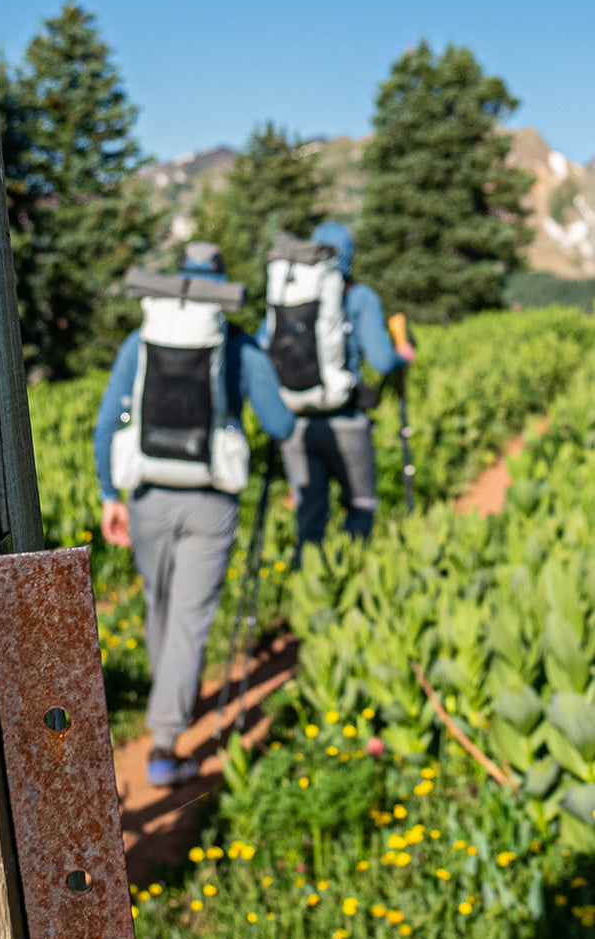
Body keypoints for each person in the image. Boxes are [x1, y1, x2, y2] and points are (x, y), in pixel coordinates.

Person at [94, 244, 295, 788]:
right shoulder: (238, 346)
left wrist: (110, 494)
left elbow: (107, 422)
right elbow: (278, 424)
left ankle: (168, 702)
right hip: (211, 502)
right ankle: (164, 745)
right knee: (189, 616)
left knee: (161, 605)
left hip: (149, 496)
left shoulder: (142, 342)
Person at [258, 221, 415, 558]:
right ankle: (350, 582)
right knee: (360, 506)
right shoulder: (359, 297)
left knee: (310, 516)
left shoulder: (290, 294)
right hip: (345, 420)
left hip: (296, 423)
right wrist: (403, 356)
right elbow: (383, 362)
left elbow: (263, 345)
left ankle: (308, 591)